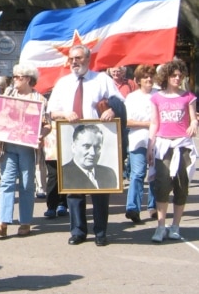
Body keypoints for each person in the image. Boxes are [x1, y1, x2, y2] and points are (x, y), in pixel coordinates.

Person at [48, 44, 122, 247]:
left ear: (88, 59)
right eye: (72, 59)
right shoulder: (63, 83)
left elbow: (119, 100)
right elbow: (51, 111)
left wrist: (112, 111)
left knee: (100, 189)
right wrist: (64, 114)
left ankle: (100, 232)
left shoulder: (101, 80)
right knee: (74, 189)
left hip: (97, 141)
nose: (74, 62)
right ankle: (78, 231)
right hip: (71, 140)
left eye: (78, 58)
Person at [0, 64, 50, 237]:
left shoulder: (39, 99)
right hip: (8, 145)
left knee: (26, 184)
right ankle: (2, 222)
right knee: (7, 182)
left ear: (29, 79)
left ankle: (25, 222)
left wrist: (41, 135)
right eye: (14, 76)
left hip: (27, 148)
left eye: (18, 77)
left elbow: (47, 125)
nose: (14, 79)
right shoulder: (8, 94)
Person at [147, 59, 198, 242]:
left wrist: (194, 124)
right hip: (163, 145)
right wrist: (150, 146)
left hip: (183, 145)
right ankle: (161, 226)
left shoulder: (188, 97)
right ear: (166, 77)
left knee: (181, 185)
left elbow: (193, 118)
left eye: (180, 75)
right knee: (162, 184)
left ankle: (175, 226)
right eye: (174, 75)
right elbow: (154, 123)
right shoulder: (157, 98)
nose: (177, 78)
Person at [124, 64, 158, 224]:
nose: (149, 80)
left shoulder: (159, 95)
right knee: (137, 174)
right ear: (138, 80)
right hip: (138, 140)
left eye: (151, 76)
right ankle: (133, 208)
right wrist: (148, 124)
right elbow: (127, 121)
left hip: (158, 140)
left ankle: (154, 207)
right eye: (145, 77)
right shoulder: (132, 98)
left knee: (155, 174)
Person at [61, 125, 118, 190]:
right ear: (73, 147)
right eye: (86, 146)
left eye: (97, 147)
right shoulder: (62, 174)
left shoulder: (109, 174)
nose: (92, 153)